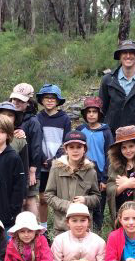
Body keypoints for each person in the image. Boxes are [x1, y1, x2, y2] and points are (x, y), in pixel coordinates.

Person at [44, 130, 101, 233]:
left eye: (79, 147)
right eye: (71, 147)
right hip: (62, 227)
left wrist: (85, 200)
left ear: (85, 149)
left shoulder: (91, 171)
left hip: (84, 227)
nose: (75, 151)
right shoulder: (56, 169)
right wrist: (67, 205)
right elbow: (48, 195)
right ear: (65, 149)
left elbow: (97, 197)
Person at [99, 39, 135, 134]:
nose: (128, 56)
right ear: (120, 56)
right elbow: (101, 109)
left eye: (132, 52)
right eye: (124, 52)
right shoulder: (108, 80)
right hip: (113, 134)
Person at [76, 97, 114, 231]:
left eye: (94, 111)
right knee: (82, 203)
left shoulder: (105, 131)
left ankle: (97, 232)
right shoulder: (80, 129)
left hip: (99, 174)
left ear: (99, 114)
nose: (91, 114)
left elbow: (109, 155)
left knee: (98, 205)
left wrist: (105, 177)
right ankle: (83, 230)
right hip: (82, 172)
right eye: (88, 111)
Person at [36, 84, 71, 231]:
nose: (49, 101)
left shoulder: (64, 119)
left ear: (58, 101)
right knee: (43, 198)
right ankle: (43, 228)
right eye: (46, 98)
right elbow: (36, 140)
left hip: (59, 164)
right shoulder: (37, 118)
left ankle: (62, 227)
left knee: (61, 198)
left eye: (53, 98)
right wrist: (43, 157)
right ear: (42, 101)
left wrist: (55, 159)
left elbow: (67, 141)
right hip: (41, 164)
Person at [7, 83, 44, 215]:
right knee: (17, 200)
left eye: (20, 100)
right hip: (13, 166)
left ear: (28, 102)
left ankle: (34, 229)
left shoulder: (33, 121)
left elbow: (37, 146)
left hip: (29, 167)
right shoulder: (9, 117)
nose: (16, 102)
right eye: (14, 99)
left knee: (30, 200)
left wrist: (32, 170)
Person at [0, 102, 30, 198]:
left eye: (10, 115)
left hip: (13, 187)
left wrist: (23, 193)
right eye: (3, 115)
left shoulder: (20, 139)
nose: (6, 118)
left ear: (15, 119)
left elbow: (24, 167)